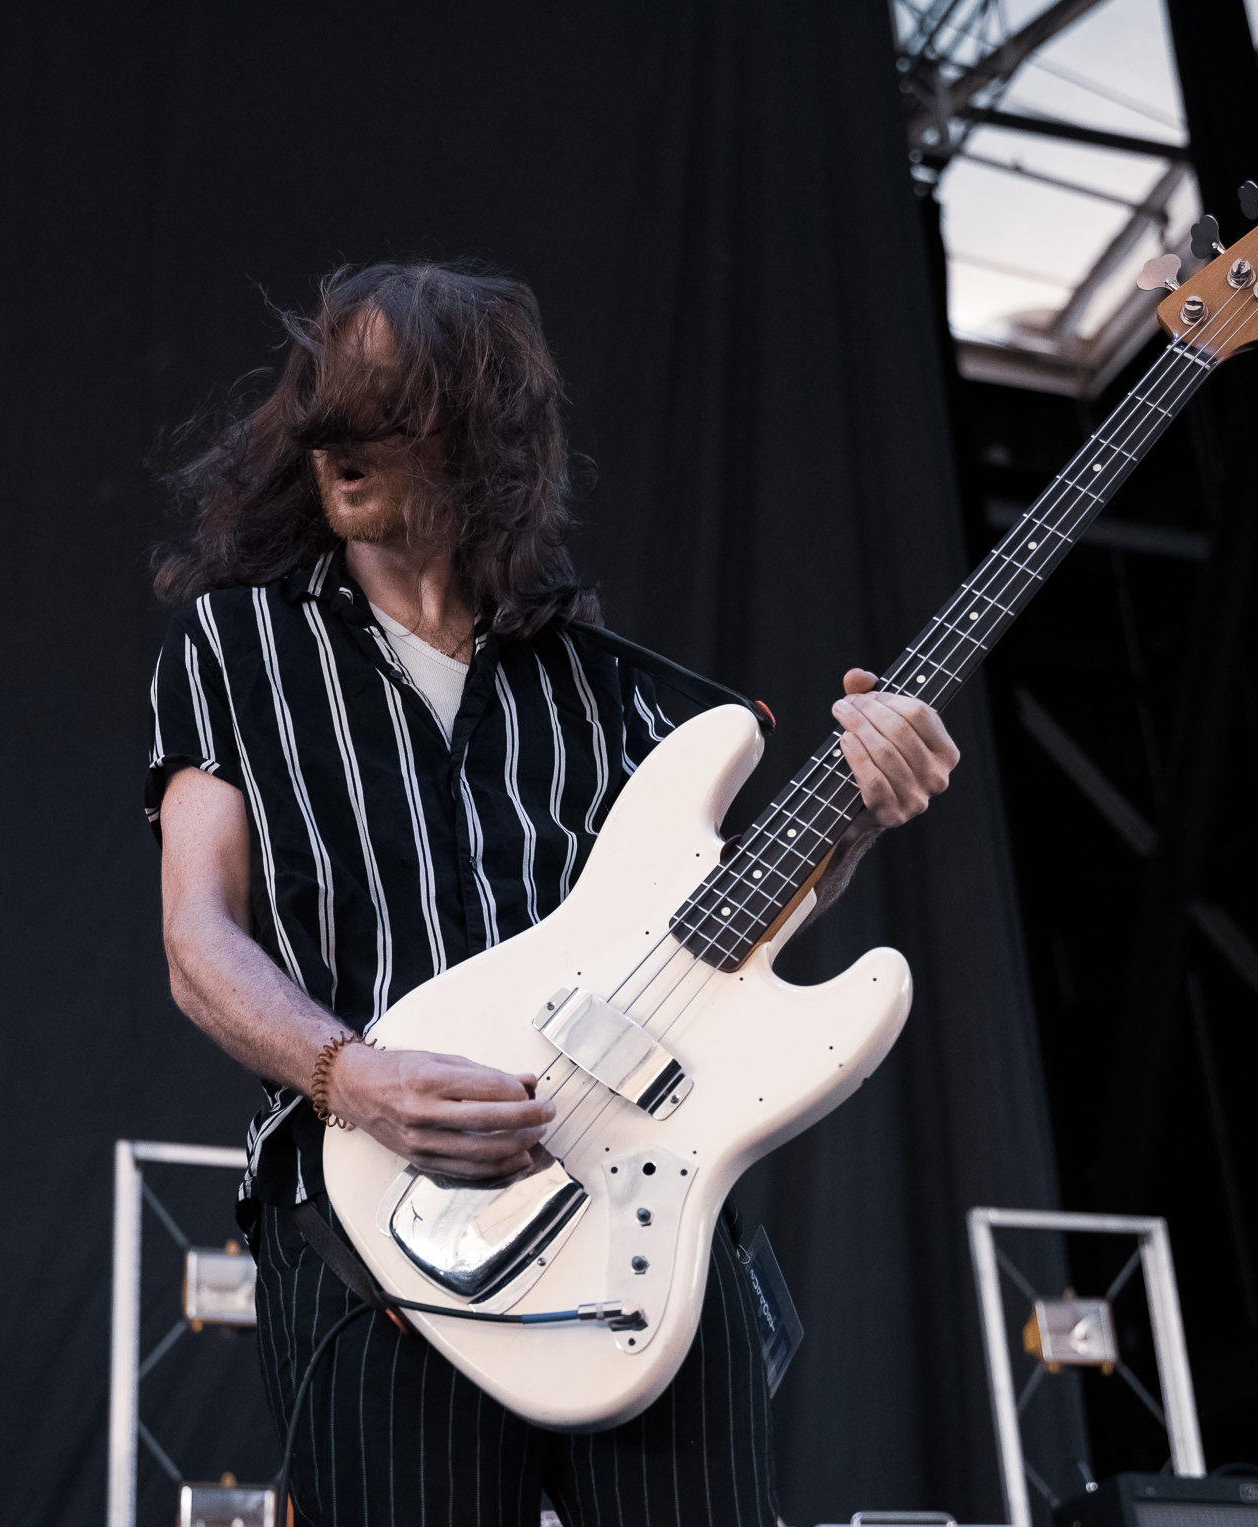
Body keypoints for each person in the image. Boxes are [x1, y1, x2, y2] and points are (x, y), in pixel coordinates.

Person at [146, 262, 959, 1526]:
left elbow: (719, 930)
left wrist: (858, 808)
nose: (335, 439)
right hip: (371, 1217)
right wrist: (349, 1075)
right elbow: (198, 937)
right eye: (325, 403)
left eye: (384, 405)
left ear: (481, 436)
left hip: (639, 1212)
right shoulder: (235, 643)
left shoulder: (606, 686)